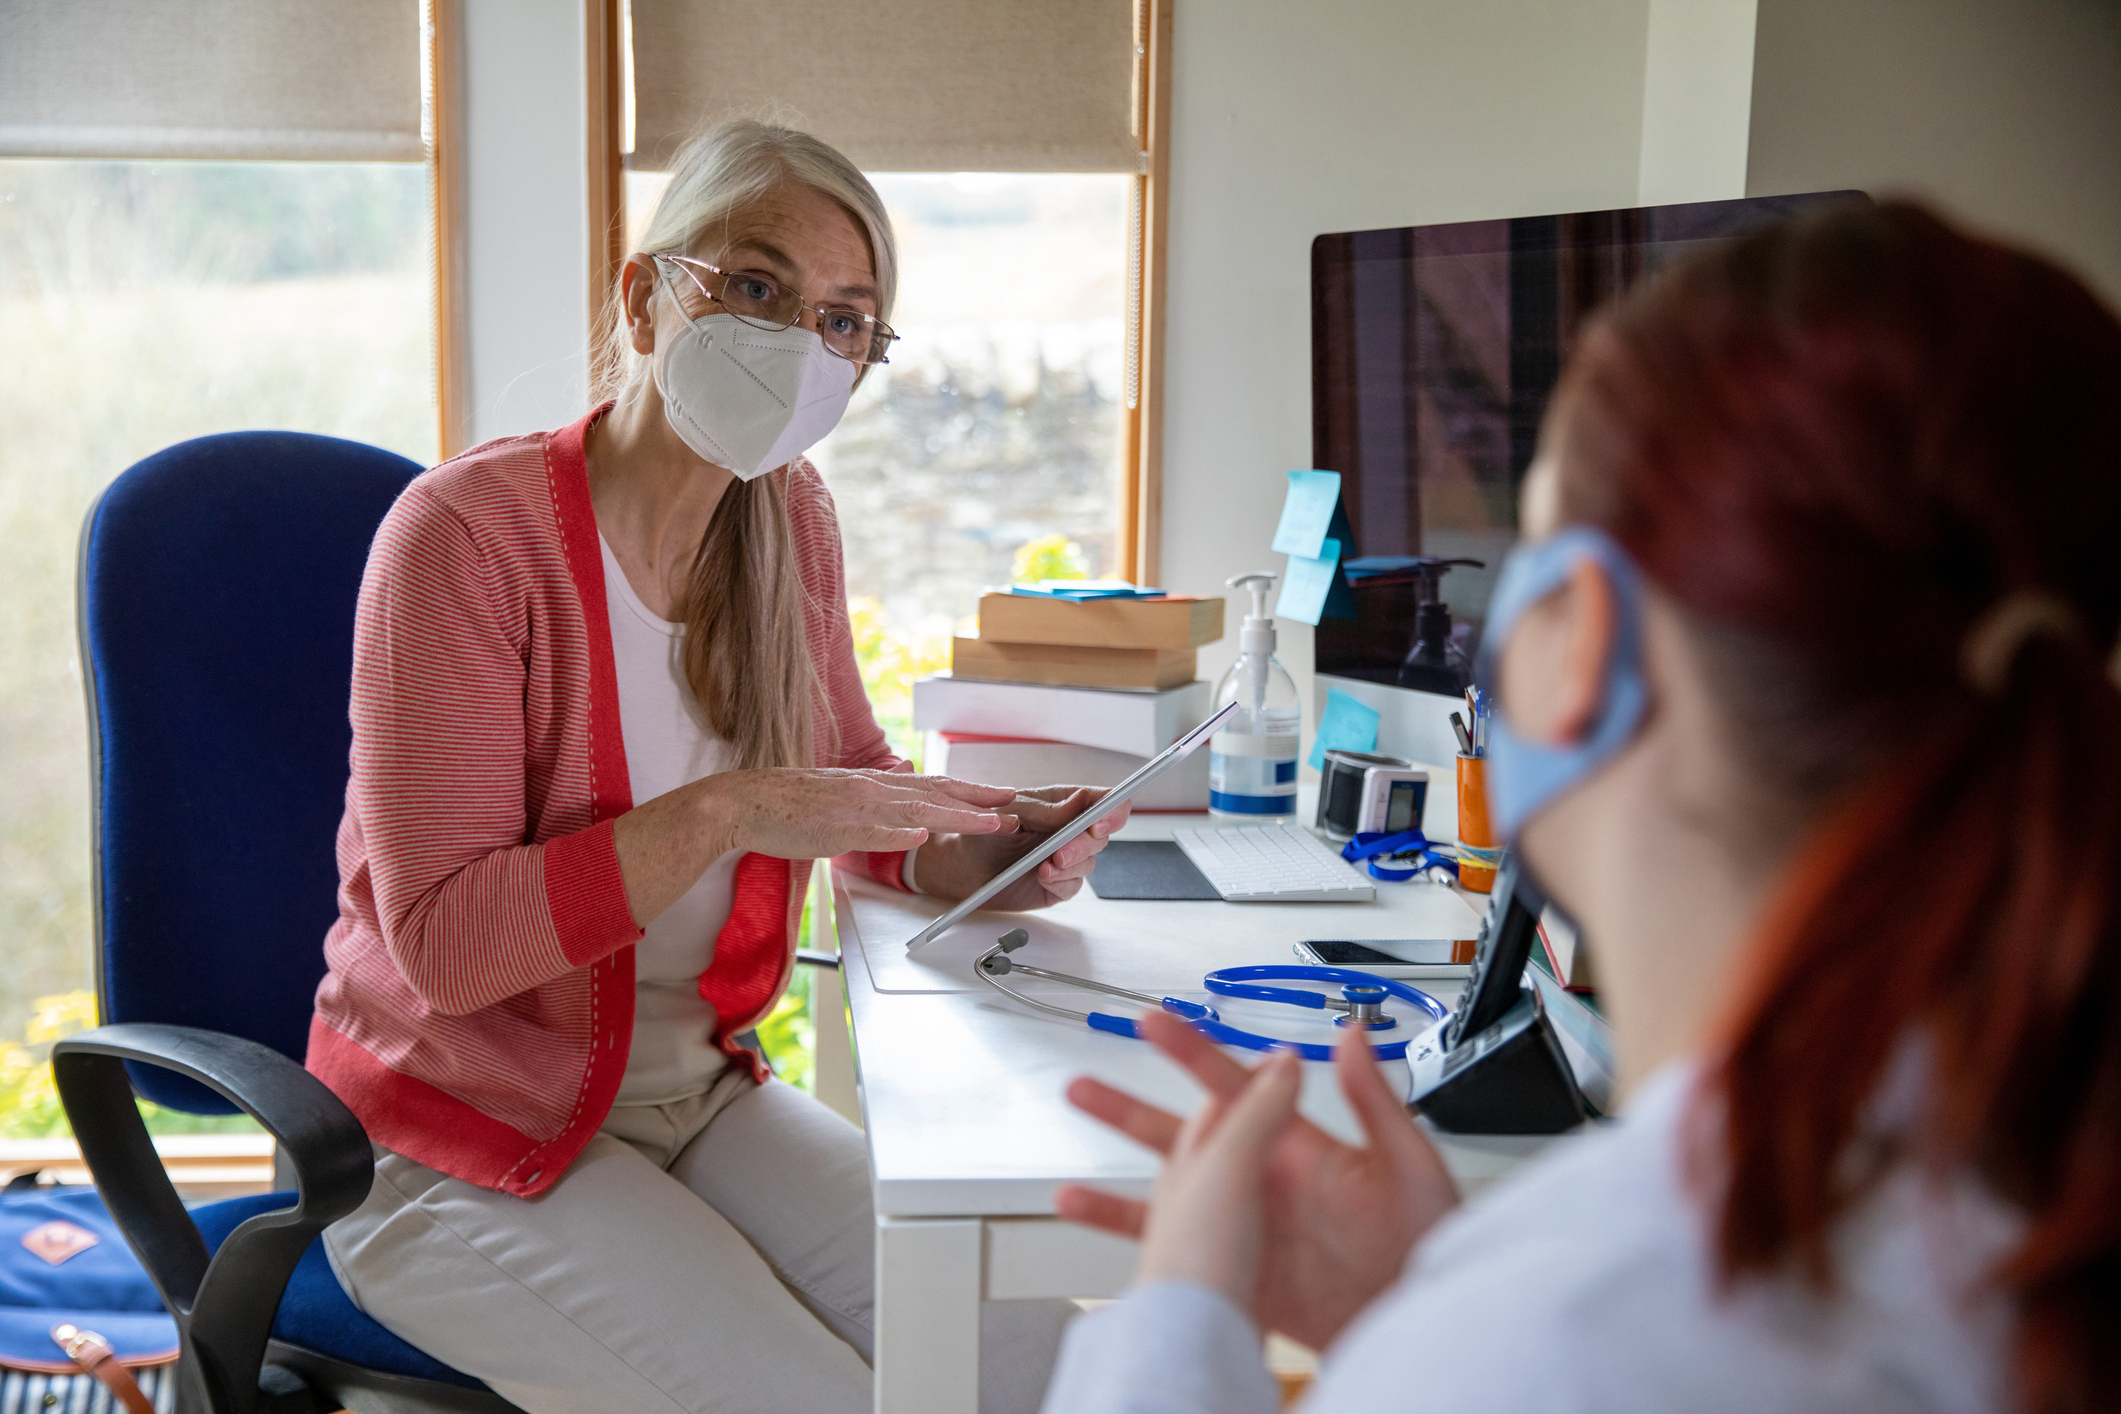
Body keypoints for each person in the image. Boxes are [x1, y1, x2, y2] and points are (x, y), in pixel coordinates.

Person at [1041, 201, 2121, 1414]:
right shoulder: (2024, 1200)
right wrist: (1417, 1309)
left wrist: (1181, 1316)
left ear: (1589, 645)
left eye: (1530, 552)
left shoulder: (1578, 1331)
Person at [306, 119, 1120, 1414]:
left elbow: (849, 785)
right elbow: (447, 950)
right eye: (756, 287)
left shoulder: (789, 520)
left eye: (846, 319)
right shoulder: (462, 538)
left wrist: (990, 842)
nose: (801, 341)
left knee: (1055, 1373)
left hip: (698, 1098)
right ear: (646, 295)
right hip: (453, 1138)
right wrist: (736, 807)